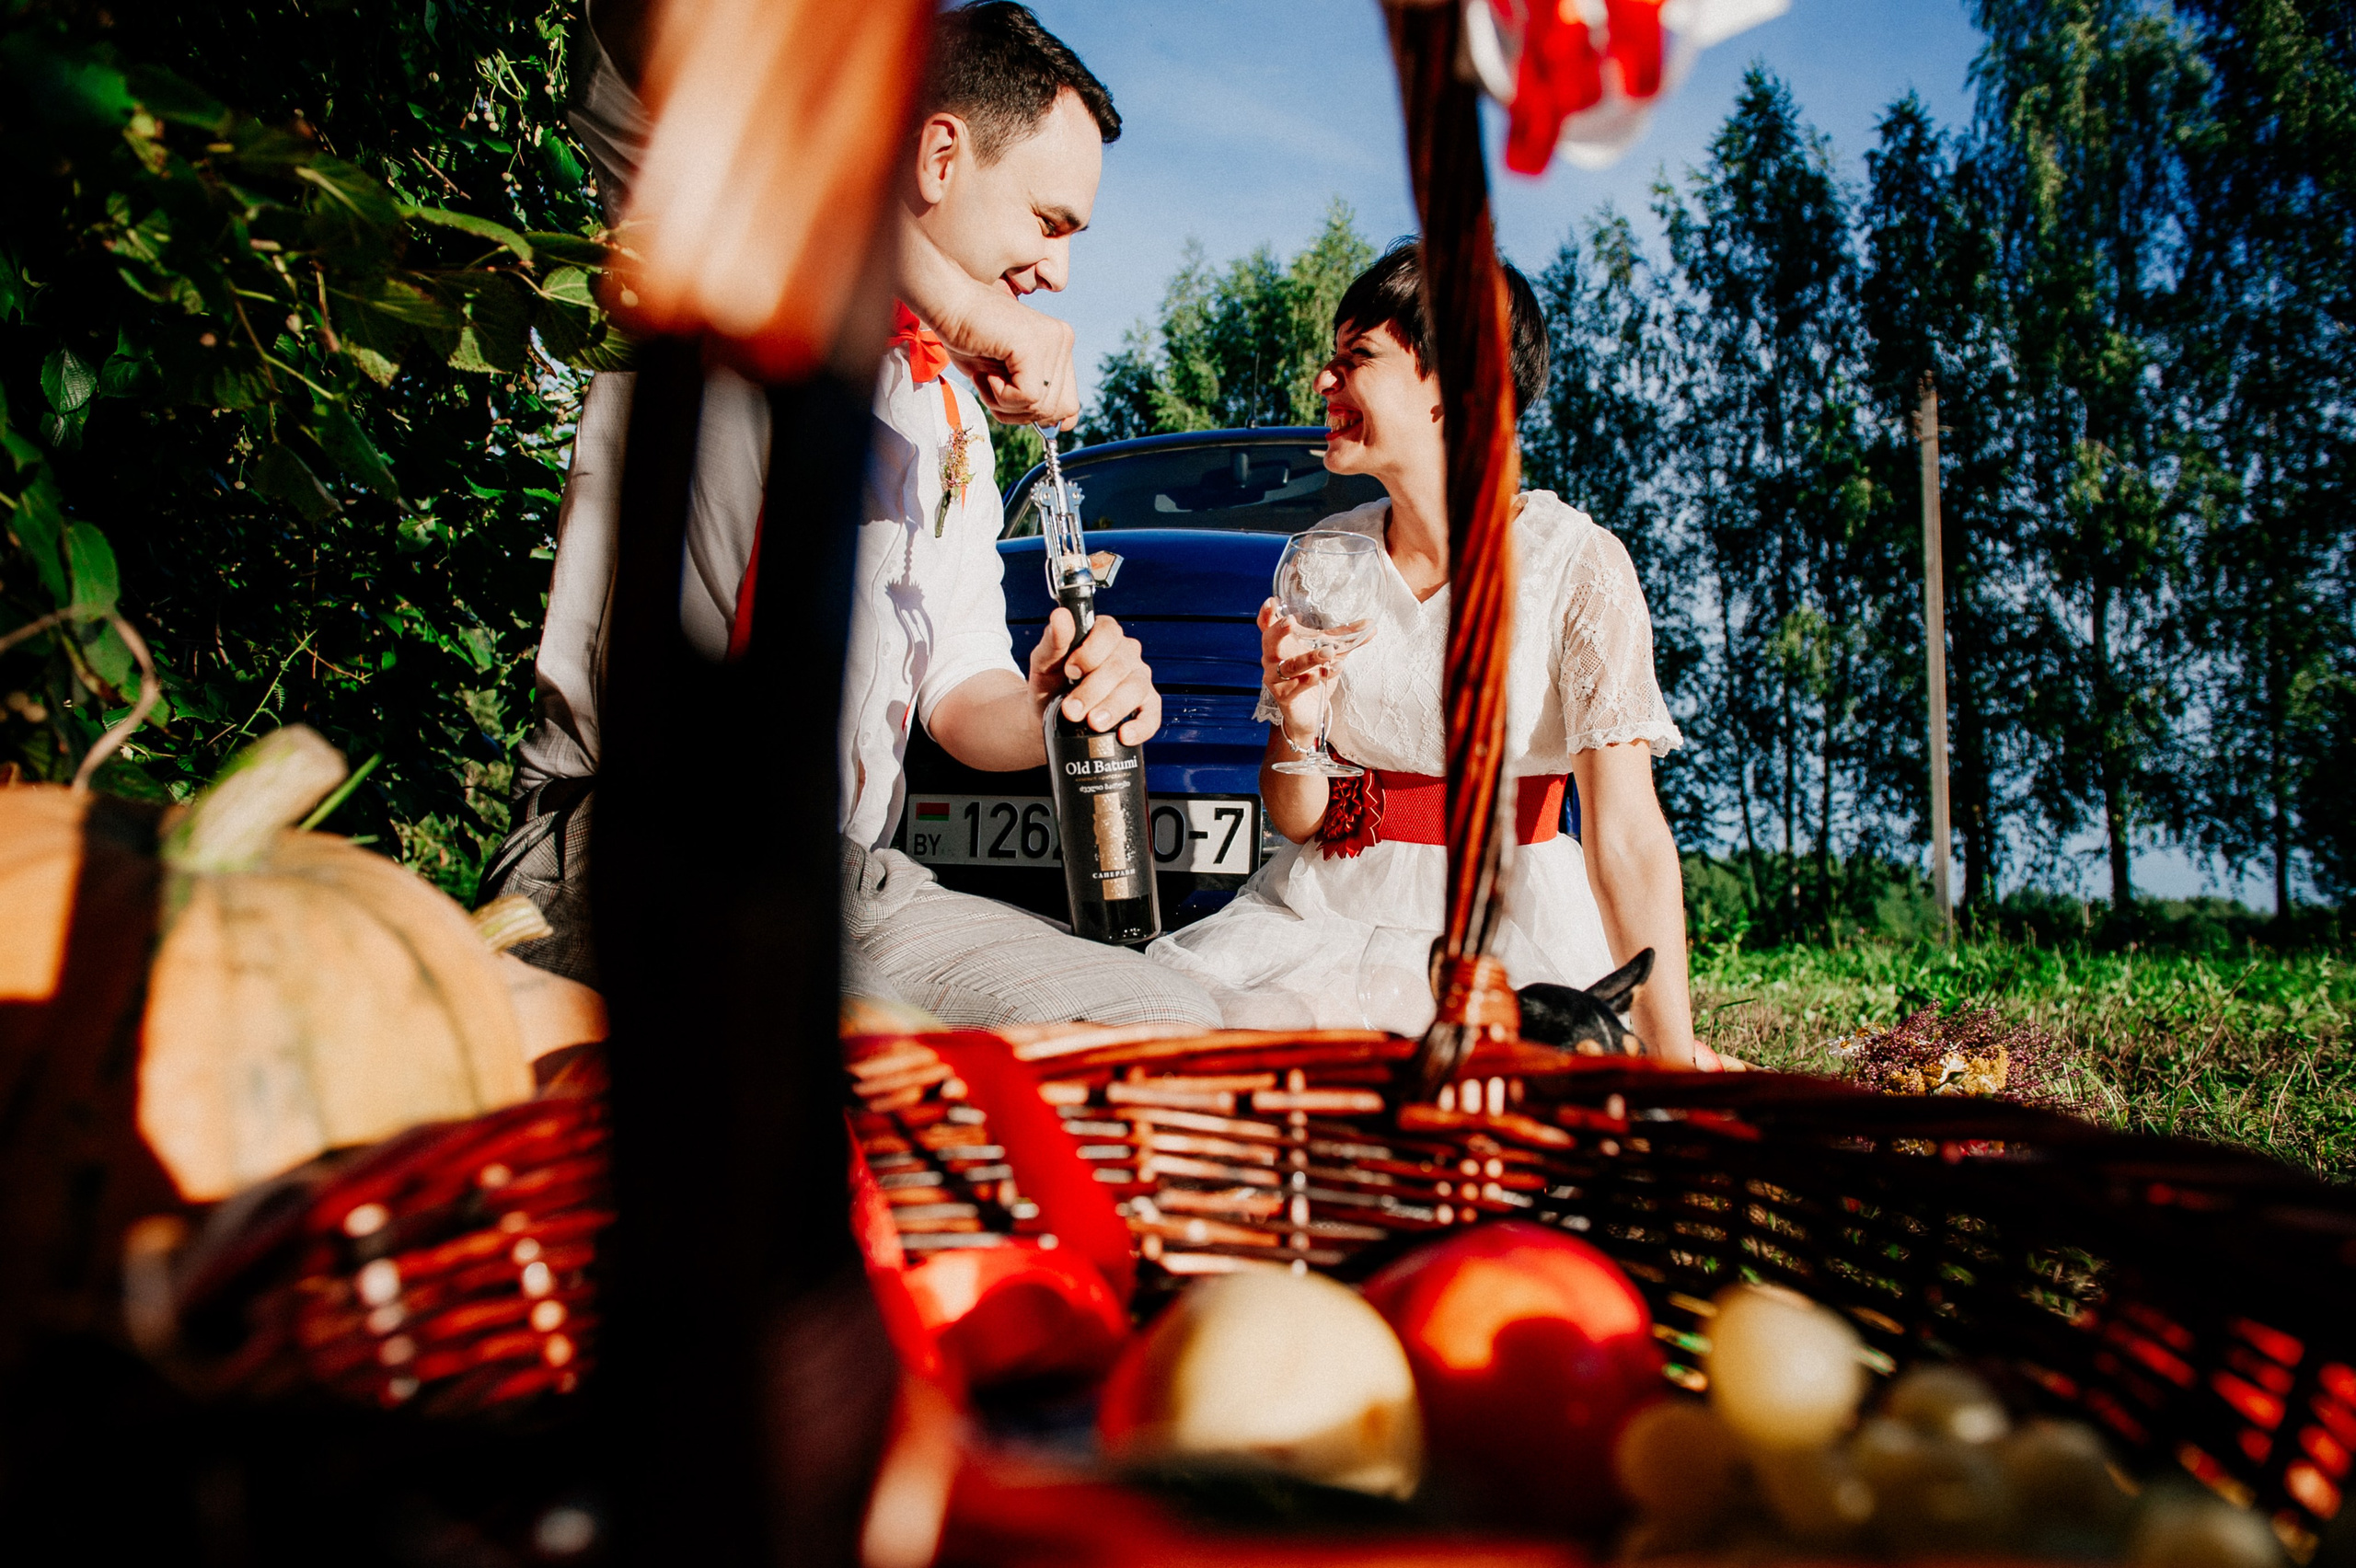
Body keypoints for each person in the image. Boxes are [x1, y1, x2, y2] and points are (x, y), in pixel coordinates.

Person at [491, 0, 1218, 1030]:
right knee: (873, 1072)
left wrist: (1051, 703)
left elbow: (959, 694)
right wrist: (962, 309)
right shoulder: (726, 238)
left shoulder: (950, 413)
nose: (1058, 273)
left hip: (849, 880)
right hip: (640, 835)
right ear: (937, 155)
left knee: (1168, 1028)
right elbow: (654, 37)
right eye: (1049, 223)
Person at [1147, 242, 1716, 1067]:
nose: (1324, 383)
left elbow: (1625, 835)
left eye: (1357, 358)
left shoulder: (1575, 565)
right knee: (1227, 1066)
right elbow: (1300, 818)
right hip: (1325, 913)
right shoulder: (1321, 563)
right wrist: (1300, 727)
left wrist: (1675, 1058)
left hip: (1512, 917)